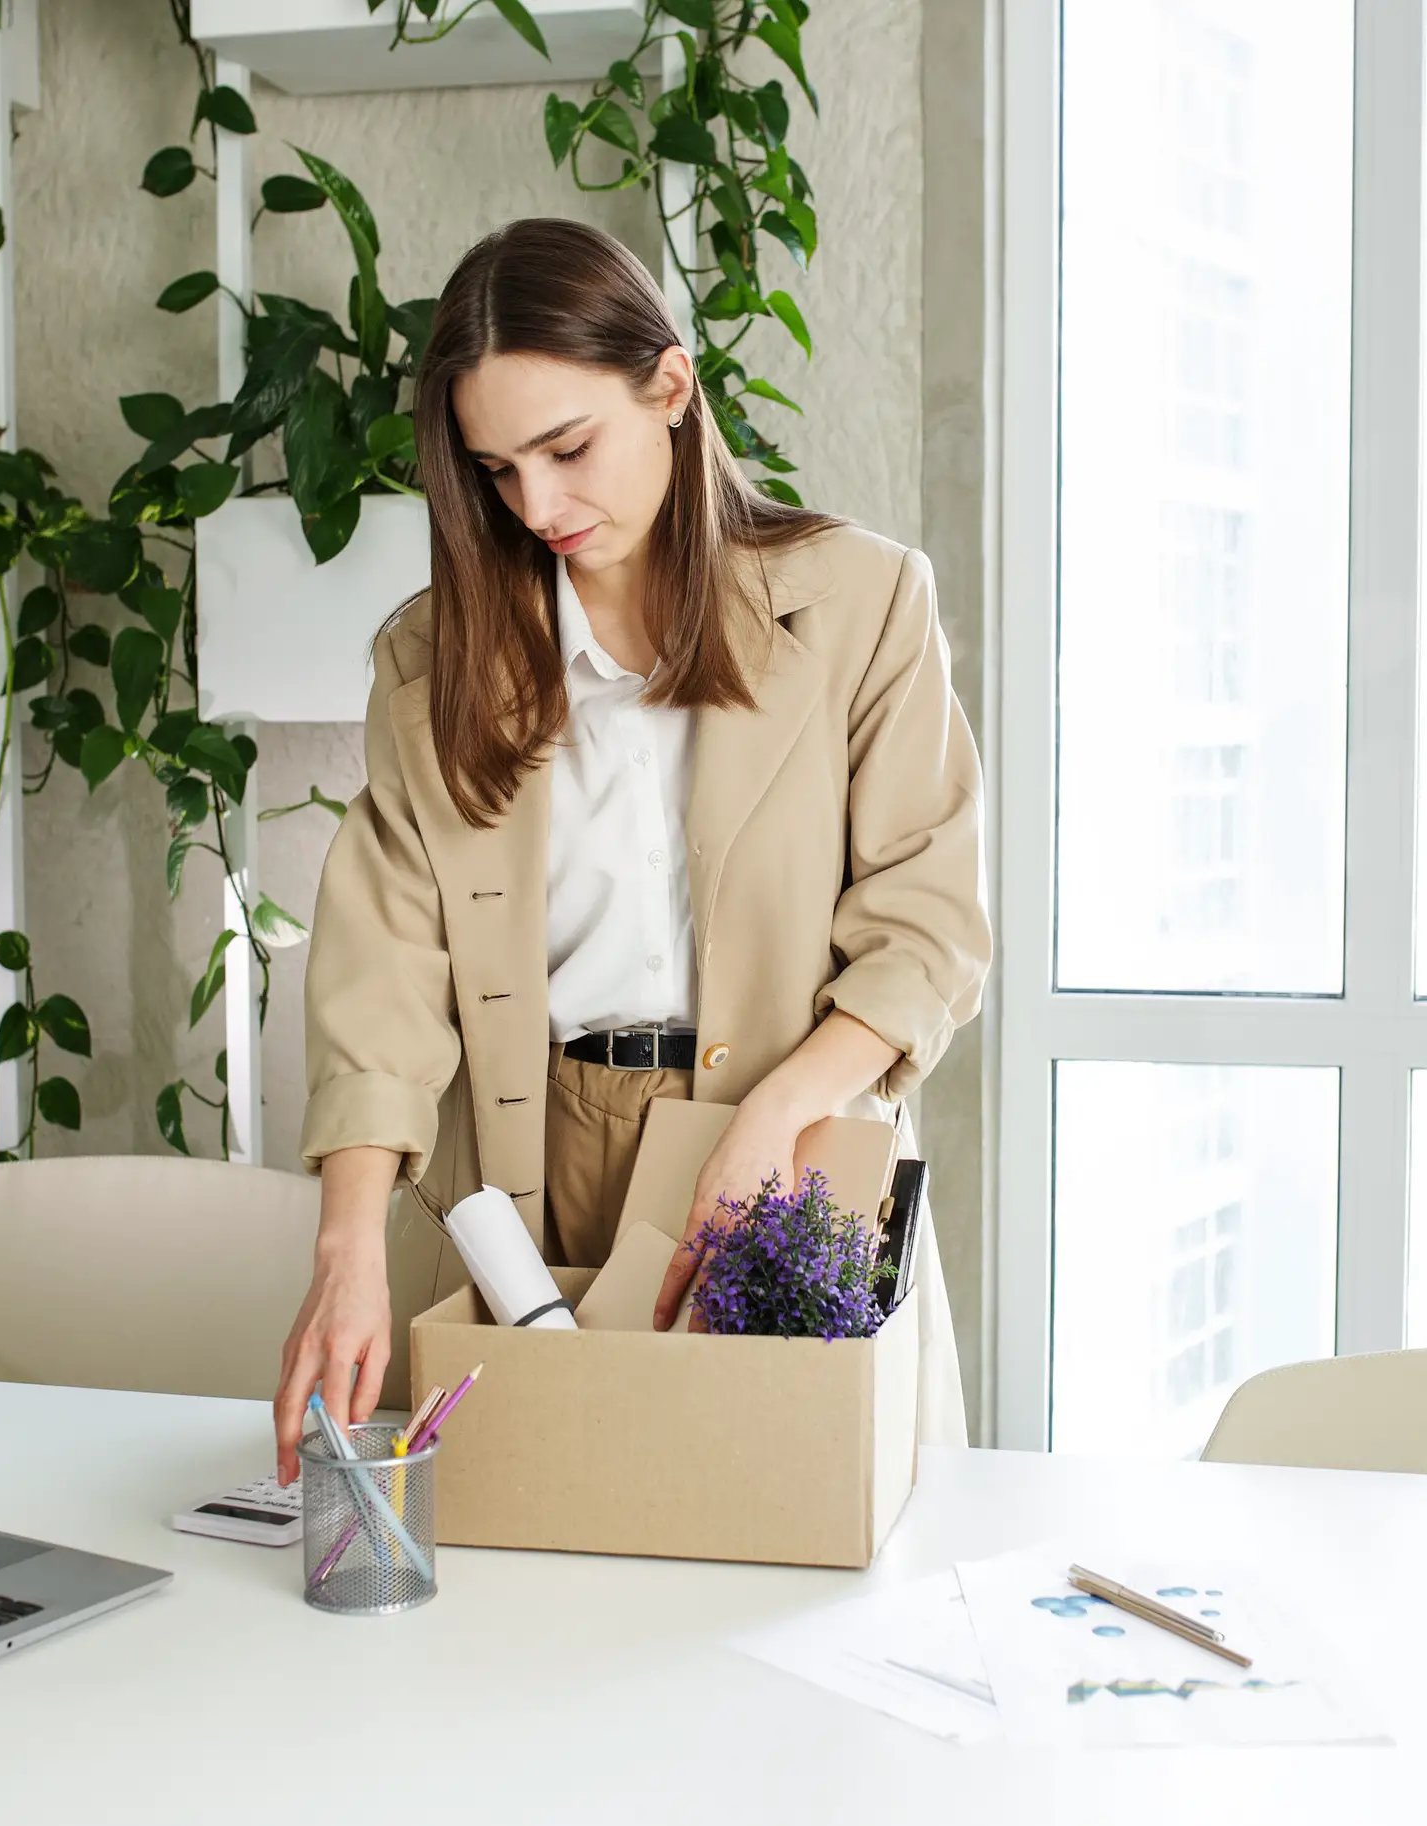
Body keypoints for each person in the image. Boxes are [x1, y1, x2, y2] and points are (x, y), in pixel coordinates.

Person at [270, 216, 990, 1485]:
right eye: (497, 470)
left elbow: (926, 927)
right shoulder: (432, 660)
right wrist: (346, 1246)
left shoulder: (864, 603)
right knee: (536, 1541)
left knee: (794, 1530)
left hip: (791, 1133)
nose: (537, 505)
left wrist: (775, 1116)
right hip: (526, 1157)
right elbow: (383, 968)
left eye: (567, 448)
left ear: (669, 385)